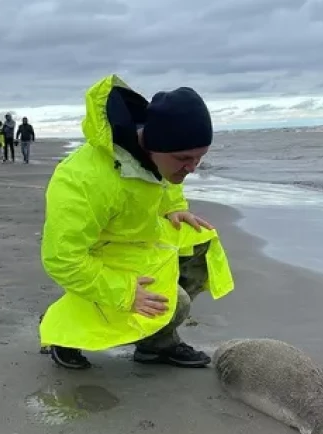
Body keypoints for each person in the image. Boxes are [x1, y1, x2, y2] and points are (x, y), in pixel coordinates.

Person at [39, 74, 235, 370]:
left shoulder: (158, 156)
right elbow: (62, 259)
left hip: (137, 240)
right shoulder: (83, 180)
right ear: (154, 145)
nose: (192, 169)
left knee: (201, 241)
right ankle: (65, 335)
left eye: (200, 158)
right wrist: (125, 292)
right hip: (100, 255)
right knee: (176, 303)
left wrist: (174, 208)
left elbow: (166, 181)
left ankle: (156, 344)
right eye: (184, 158)